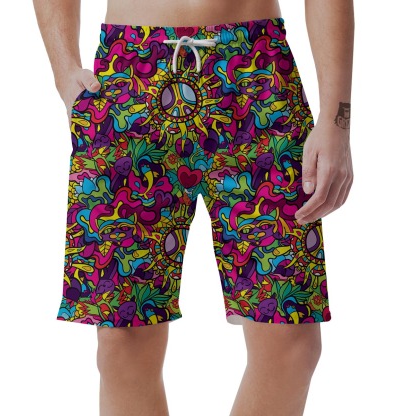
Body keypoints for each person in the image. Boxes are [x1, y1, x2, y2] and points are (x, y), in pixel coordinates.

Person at [33, 0, 354, 414]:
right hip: (130, 76)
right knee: (123, 340)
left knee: (290, 336)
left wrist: (337, 120)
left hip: (254, 74)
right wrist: (63, 70)